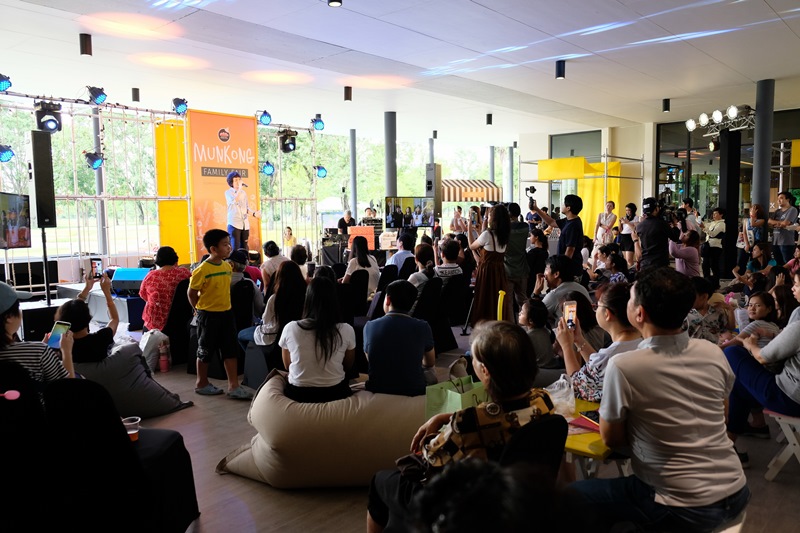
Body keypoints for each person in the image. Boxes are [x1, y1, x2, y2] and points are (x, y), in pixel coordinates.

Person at [571, 267, 749, 532]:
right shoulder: (712, 352)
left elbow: (612, 439)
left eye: (631, 299)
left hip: (678, 504)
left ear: (639, 314)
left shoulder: (624, 365)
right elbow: (723, 416)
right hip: (736, 490)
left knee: (573, 496)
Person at [366, 321, 567, 533]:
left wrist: (437, 431)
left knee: (380, 482)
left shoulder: (467, 424)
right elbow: (505, 416)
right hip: (518, 504)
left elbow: (431, 457)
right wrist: (447, 417)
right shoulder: (543, 400)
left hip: (466, 508)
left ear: (485, 371)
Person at [724, 271, 800, 464]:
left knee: (732, 353)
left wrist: (750, 344)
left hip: (789, 398)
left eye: (797, 284)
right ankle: (749, 431)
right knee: (739, 386)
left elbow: (763, 357)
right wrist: (773, 336)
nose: (793, 288)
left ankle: (725, 447)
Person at [188, 229, 253, 400]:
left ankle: (233, 386)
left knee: (230, 350)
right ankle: (201, 383)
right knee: (205, 350)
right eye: (225, 244)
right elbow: (191, 293)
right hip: (208, 315)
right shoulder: (202, 270)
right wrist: (197, 309)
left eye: (229, 244)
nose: (229, 247)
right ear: (213, 249)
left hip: (226, 314)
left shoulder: (226, 266)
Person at [555, 282, 641, 403]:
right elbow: (597, 367)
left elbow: (577, 385)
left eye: (597, 306)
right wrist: (579, 340)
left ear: (607, 314)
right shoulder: (643, 343)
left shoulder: (609, 358)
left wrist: (566, 346)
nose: (595, 309)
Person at [279, 277, 355, 403]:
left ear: (307, 299)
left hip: (298, 393)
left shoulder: (291, 328)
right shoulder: (346, 329)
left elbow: (287, 365)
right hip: (335, 392)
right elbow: (347, 365)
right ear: (334, 300)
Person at [363, 280, 435, 396]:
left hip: (377, 388)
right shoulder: (423, 326)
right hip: (414, 389)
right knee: (430, 372)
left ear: (388, 300)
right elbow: (429, 363)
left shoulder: (370, 326)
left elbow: (371, 359)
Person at [0, 281, 74, 383]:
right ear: (9, 317)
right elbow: (68, 388)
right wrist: (66, 352)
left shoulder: (38, 351)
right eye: (18, 307)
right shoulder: (39, 352)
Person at [237, 260, 306, 357]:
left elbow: (266, 320)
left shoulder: (275, 298)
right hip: (297, 334)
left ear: (279, 277)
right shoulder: (305, 296)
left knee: (240, 335)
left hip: (272, 336)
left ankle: (254, 357)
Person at [55, 273, 119, 363]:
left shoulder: (61, 344)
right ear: (88, 318)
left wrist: (87, 288)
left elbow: (72, 312)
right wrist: (107, 292)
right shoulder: (101, 338)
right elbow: (114, 319)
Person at [468, 204, 512, 325]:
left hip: (486, 272)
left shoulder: (487, 234)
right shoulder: (504, 235)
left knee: (485, 297)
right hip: (499, 271)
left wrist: (469, 228)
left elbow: (472, 245)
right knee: (496, 298)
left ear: (494, 218)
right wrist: (480, 230)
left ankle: (483, 323)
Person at [139, 246, 192, 332]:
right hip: (181, 319)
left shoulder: (151, 276)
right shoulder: (185, 273)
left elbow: (143, 295)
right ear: (175, 258)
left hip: (156, 323)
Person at [531, 194, 584, 274]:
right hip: (569, 266)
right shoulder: (569, 220)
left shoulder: (573, 225)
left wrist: (562, 269)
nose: (561, 205)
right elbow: (551, 222)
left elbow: (570, 250)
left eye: (563, 204)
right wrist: (537, 209)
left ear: (568, 208)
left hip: (571, 269)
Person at [531, 255, 590, 323]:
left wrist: (535, 293)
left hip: (568, 329)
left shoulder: (554, 295)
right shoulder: (581, 287)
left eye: (546, 269)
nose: (544, 274)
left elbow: (532, 316)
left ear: (556, 274)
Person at [683, 276, 733, 344]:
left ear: (704, 296)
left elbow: (728, 329)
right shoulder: (684, 314)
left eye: (691, 296)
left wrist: (730, 309)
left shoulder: (718, 313)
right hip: (692, 350)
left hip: (712, 349)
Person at [636, 197, 679, 271]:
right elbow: (675, 237)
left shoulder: (639, 226)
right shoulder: (661, 224)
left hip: (645, 264)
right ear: (656, 209)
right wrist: (674, 225)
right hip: (660, 264)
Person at [504, 203, 531, 317]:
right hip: (522, 268)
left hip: (508, 270)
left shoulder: (503, 229)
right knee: (523, 299)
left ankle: (511, 324)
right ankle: (528, 322)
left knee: (508, 302)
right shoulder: (525, 227)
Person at [224, 171, 260, 250]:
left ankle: (245, 258)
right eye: (235, 180)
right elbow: (235, 200)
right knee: (235, 248)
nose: (238, 182)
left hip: (244, 224)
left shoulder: (243, 193)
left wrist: (254, 214)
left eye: (239, 180)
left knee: (244, 248)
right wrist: (240, 189)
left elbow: (246, 208)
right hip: (234, 224)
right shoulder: (228, 193)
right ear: (231, 182)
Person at [227, 249, 265, 320]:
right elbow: (259, 307)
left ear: (231, 265)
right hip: (247, 323)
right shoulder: (250, 283)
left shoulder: (223, 282)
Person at [767, 191, 799, 265]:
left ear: (788, 199)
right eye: (778, 199)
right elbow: (769, 222)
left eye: (781, 198)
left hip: (786, 242)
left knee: (787, 264)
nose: (778, 200)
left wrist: (776, 223)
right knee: (777, 264)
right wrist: (780, 223)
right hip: (775, 241)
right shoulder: (777, 211)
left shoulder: (792, 209)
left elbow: (785, 223)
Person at [738, 204, 766, 274]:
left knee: (754, 260)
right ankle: (741, 276)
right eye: (751, 209)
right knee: (742, 260)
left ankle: (753, 275)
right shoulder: (746, 220)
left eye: (754, 210)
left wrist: (753, 216)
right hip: (747, 242)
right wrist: (746, 244)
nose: (752, 211)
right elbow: (744, 232)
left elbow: (752, 224)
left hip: (757, 243)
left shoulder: (761, 220)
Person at [702, 207, 726, 288]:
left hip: (715, 247)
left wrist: (704, 228)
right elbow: (704, 225)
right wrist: (698, 217)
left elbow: (713, 234)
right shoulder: (712, 223)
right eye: (713, 214)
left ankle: (715, 284)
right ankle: (706, 282)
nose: (714, 215)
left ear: (721, 215)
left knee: (714, 266)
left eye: (716, 214)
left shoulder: (721, 224)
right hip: (708, 246)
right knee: (705, 265)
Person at [618, 203, 639, 268]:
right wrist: (619, 223)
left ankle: (632, 271)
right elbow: (620, 230)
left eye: (629, 210)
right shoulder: (624, 218)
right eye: (626, 210)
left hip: (630, 237)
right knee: (625, 260)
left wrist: (627, 222)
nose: (627, 212)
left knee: (629, 260)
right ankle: (627, 271)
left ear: (633, 210)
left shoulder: (636, 218)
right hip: (623, 237)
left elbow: (635, 229)